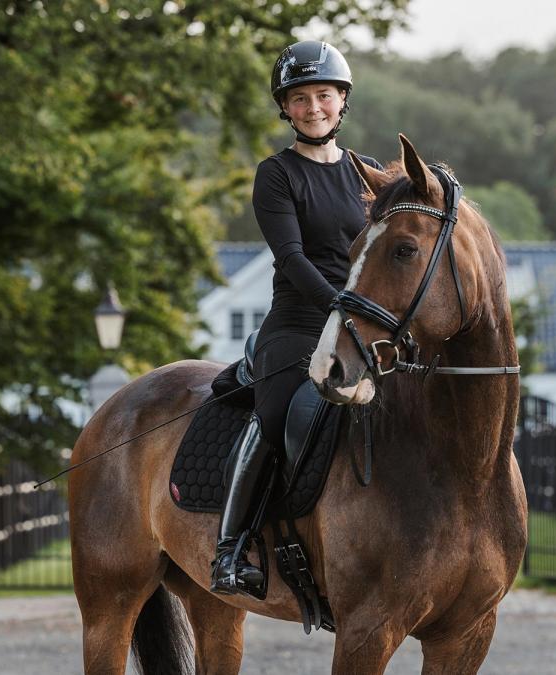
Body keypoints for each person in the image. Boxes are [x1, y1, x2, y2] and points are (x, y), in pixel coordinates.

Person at [210, 40, 383, 597]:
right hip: (300, 324)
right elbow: (290, 257)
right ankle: (231, 547)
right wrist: (342, 305)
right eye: (301, 98)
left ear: (343, 100)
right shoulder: (276, 174)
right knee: (274, 415)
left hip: (367, 325)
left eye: (324, 95)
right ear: (285, 107)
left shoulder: (369, 174)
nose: (314, 108)